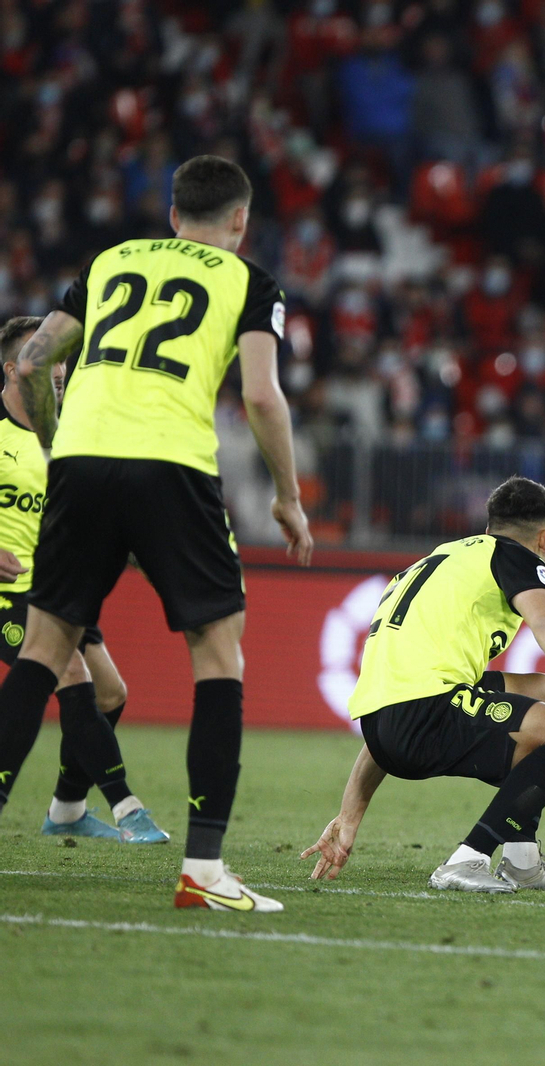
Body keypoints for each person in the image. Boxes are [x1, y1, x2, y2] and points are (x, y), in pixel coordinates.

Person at [0, 155, 313, 912]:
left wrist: (52, 440)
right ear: (239, 221)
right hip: (171, 463)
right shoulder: (249, 281)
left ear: (173, 214)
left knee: (44, 648)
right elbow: (263, 397)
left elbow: (37, 355)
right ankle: (203, 871)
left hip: (81, 457)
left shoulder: (111, 262)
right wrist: (288, 499)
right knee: (217, 654)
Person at [300, 477, 545, 893]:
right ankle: (468, 858)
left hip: (380, 726)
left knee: (540, 690)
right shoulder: (517, 556)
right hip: (426, 712)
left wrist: (350, 814)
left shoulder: (444, 556)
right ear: (544, 538)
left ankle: (522, 859)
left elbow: (395, 693)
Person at [0, 317, 167, 844]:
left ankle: (67, 810)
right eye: (48, 358)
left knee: (112, 695)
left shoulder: (68, 433)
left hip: (56, 589)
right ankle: (127, 807)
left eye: (63, 358)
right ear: (13, 368)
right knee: (71, 672)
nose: (60, 369)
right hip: (7, 593)